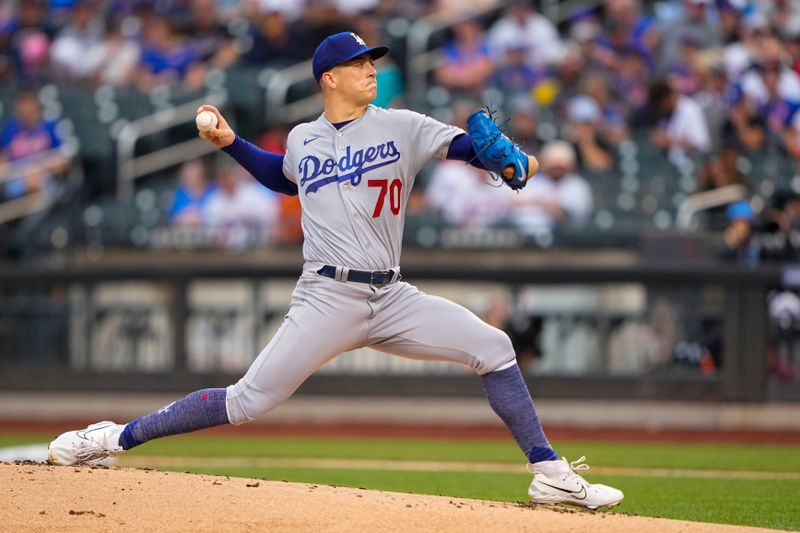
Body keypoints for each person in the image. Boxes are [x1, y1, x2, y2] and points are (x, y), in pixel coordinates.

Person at [48, 31, 623, 511]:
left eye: (372, 61)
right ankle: (113, 437)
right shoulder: (304, 137)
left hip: (393, 295)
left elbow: (478, 151)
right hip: (326, 296)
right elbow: (283, 175)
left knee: (493, 346)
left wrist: (513, 159)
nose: (371, 70)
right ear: (330, 78)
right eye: (358, 63)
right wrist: (230, 143)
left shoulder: (402, 125)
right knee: (248, 401)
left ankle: (547, 472)